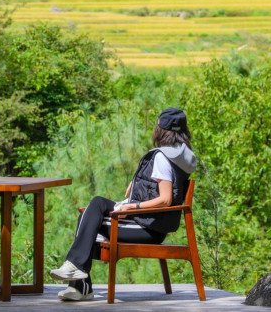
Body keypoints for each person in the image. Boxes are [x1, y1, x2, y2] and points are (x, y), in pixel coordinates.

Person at [50, 107, 196, 302]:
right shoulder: (179, 156)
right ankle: (78, 279)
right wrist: (136, 186)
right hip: (152, 225)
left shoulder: (162, 157)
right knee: (96, 206)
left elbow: (165, 199)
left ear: (161, 129)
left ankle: (78, 278)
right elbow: (162, 189)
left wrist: (132, 207)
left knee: (88, 217)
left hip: (146, 228)